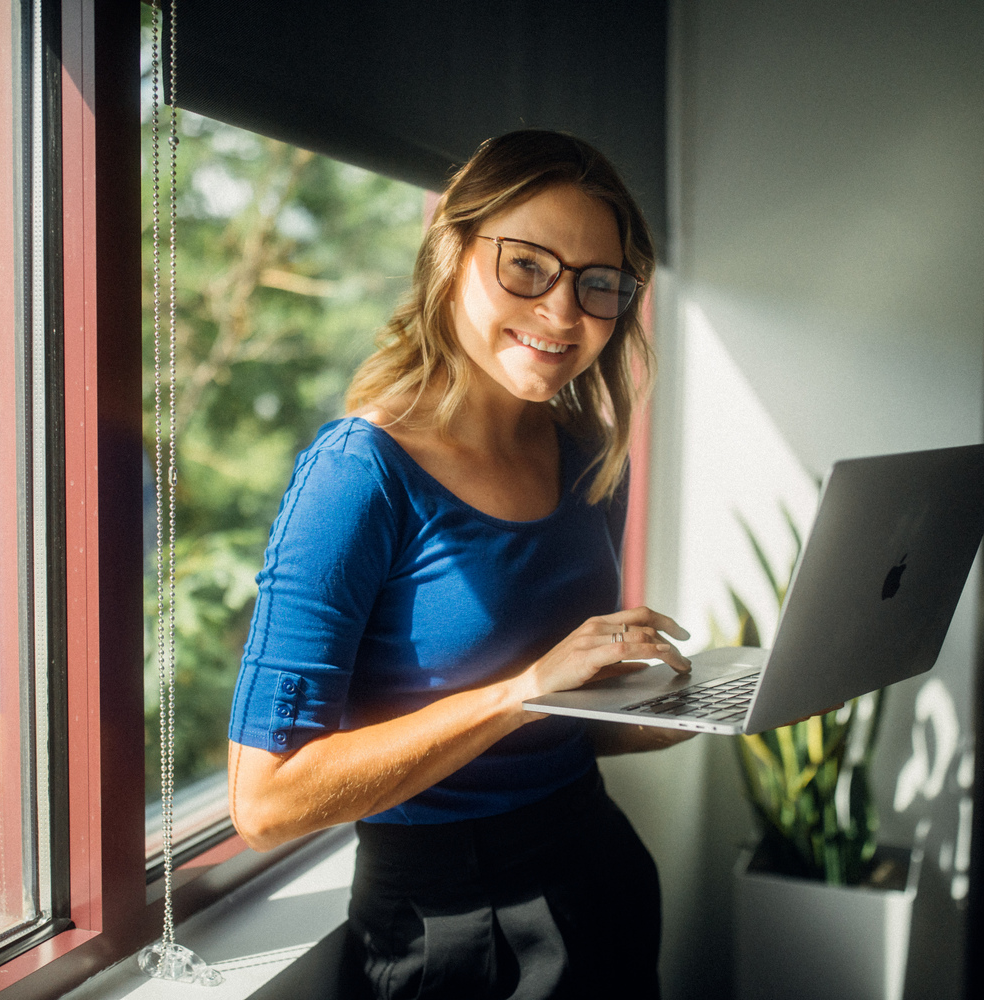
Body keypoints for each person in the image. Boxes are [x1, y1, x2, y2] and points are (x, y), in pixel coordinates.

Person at [228, 130, 692, 1000]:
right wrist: (521, 690)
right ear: (451, 250)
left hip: (599, 861)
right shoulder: (357, 475)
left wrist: (673, 713)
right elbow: (266, 802)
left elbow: (556, 723)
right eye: (527, 266)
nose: (563, 313)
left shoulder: (585, 451)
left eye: (600, 284)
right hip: (452, 920)